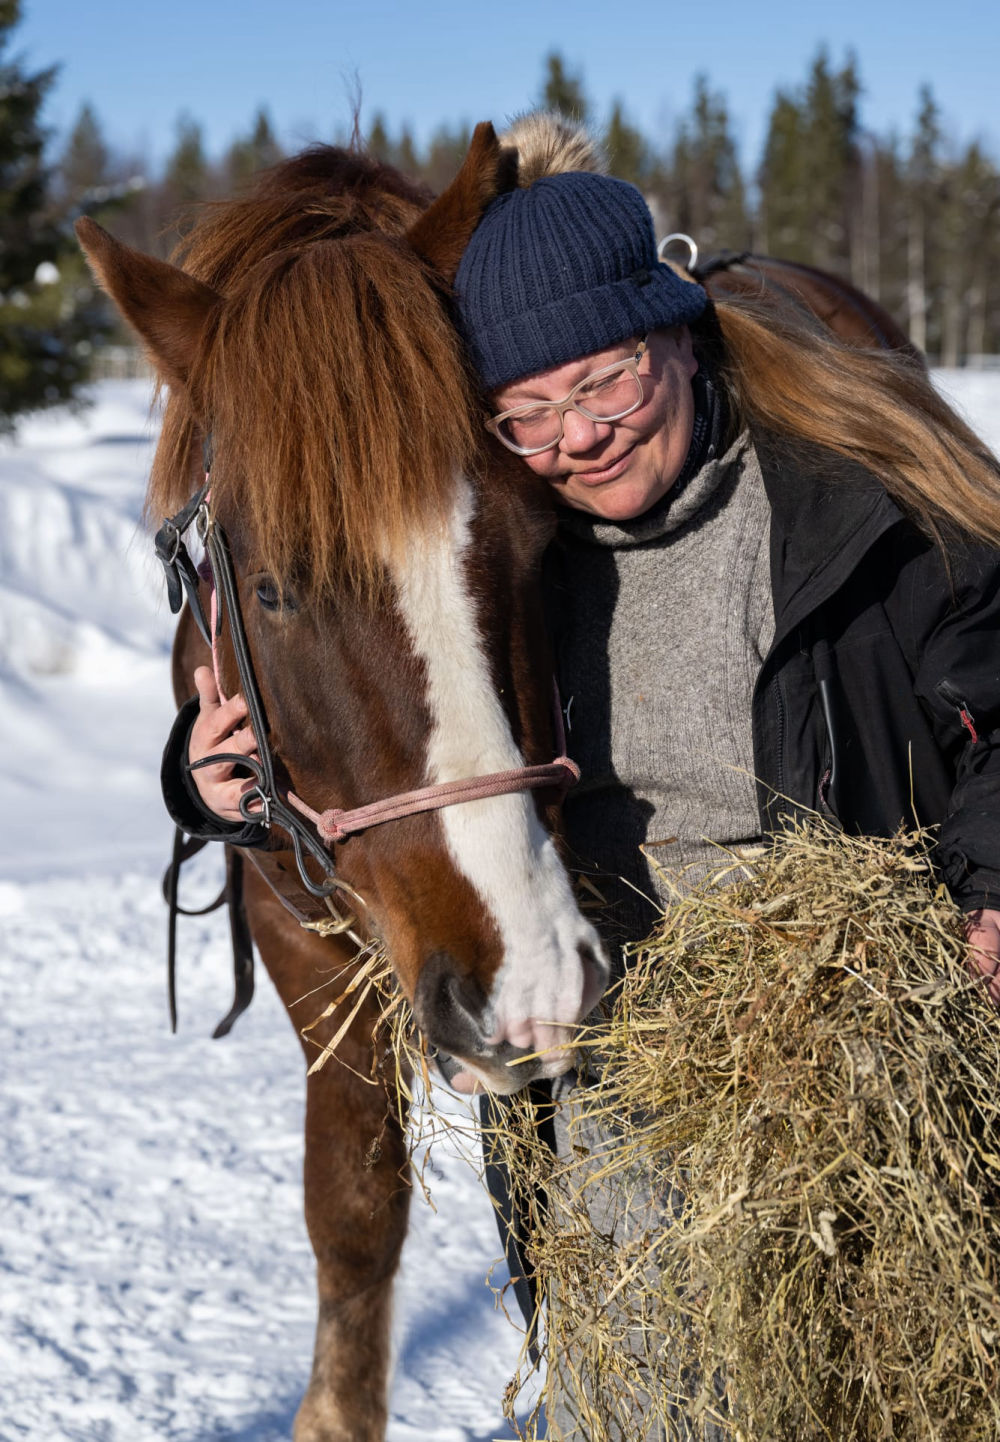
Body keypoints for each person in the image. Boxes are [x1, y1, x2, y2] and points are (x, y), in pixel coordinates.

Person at [165, 117, 1000, 1439]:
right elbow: (379, 678)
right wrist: (223, 781)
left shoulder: (844, 507)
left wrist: (990, 870)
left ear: (678, 335)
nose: (579, 434)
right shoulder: (508, 532)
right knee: (635, 1377)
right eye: (528, 410)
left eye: (607, 379)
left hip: (824, 1001)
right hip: (609, 1000)